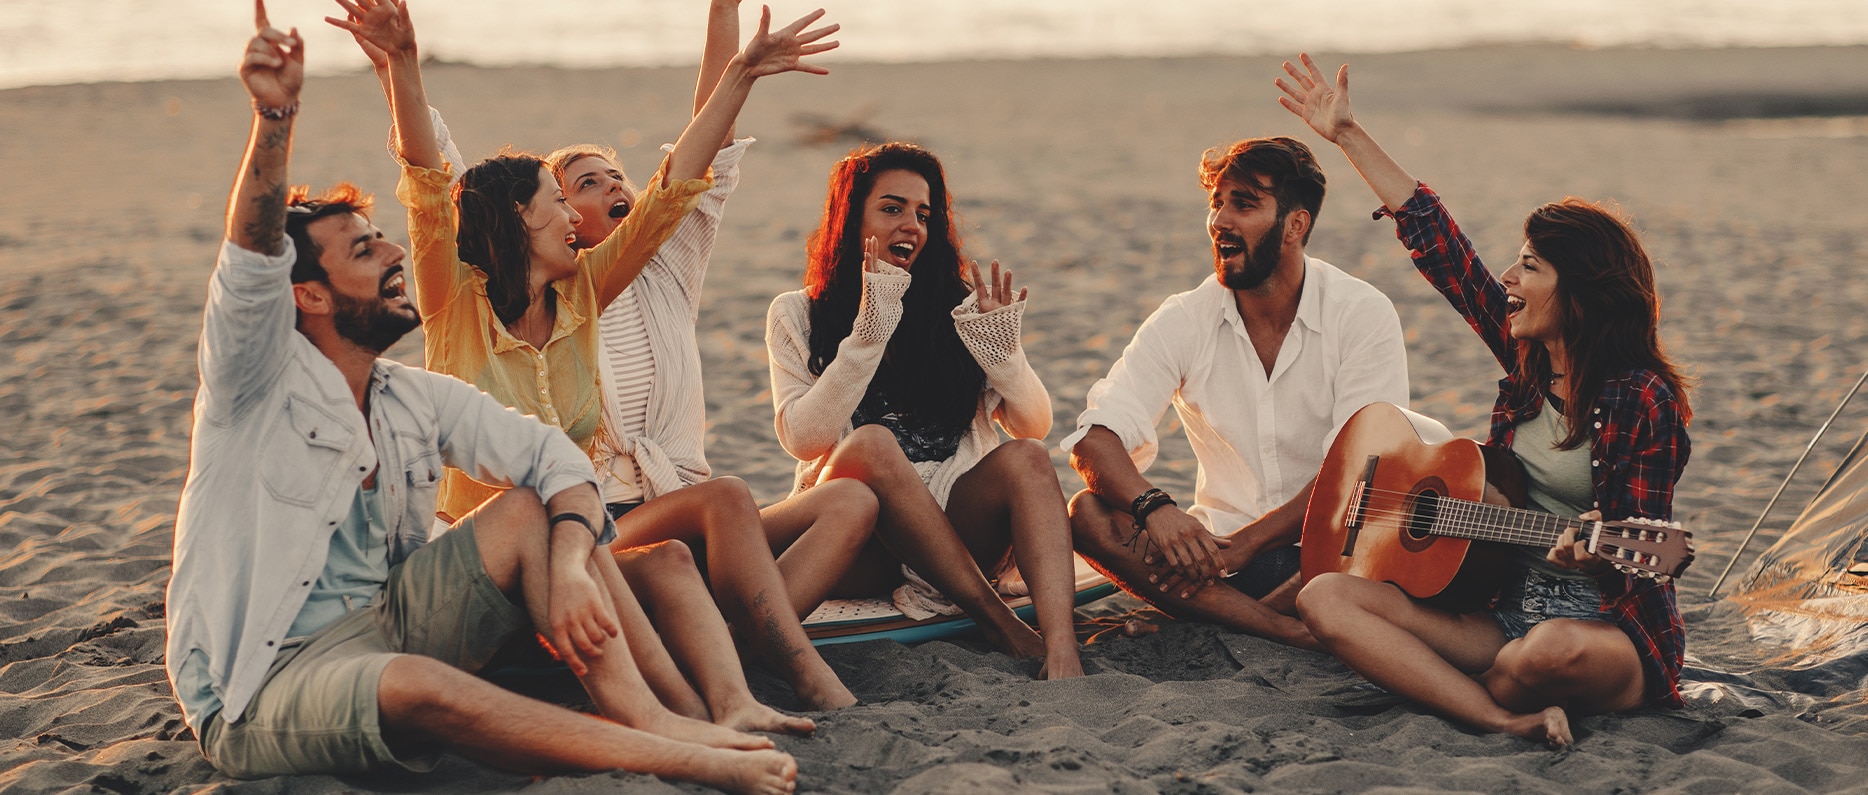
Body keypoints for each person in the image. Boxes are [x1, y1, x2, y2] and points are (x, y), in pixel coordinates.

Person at [164, 8, 797, 792]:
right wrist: (276, 117)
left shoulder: (407, 396)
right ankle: (666, 751)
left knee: (544, 508)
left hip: (392, 619)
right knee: (418, 686)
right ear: (310, 297)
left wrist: (569, 561)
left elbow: (553, 459)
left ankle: (663, 718)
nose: (393, 247)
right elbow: (358, 217)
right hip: (260, 678)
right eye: (366, 249)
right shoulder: (249, 384)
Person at [332, 0, 859, 711]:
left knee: (677, 554)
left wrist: (742, 73)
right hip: (499, 554)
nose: (590, 209)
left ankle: (729, 704)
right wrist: (402, 64)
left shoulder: (583, 296)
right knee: (693, 529)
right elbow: (433, 180)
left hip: (590, 542)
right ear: (524, 217)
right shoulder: (457, 301)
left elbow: (672, 192)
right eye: (564, 194)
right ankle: (763, 684)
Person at [1277, 53, 1693, 746]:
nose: (1507, 275)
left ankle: (1489, 684)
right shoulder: (1528, 363)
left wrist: (1591, 552)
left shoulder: (1641, 399)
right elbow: (1442, 249)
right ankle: (1497, 711)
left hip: (1602, 627)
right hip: (1499, 612)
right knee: (1323, 596)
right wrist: (1346, 134)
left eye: (1529, 265)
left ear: (1581, 294)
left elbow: (1641, 545)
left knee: (1546, 652)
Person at [1060, 134, 1409, 649]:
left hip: (1335, 552)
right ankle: (1278, 629)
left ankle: (1221, 622)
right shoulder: (1185, 317)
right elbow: (1095, 438)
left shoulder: (1361, 313)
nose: (1220, 221)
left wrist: (1247, 544)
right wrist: (1155, 508)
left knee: (1367, 538)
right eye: (1216, 203)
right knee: (1088, 514)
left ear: (1296, 224)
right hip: (1213, 563)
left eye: (1243, 204)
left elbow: (1359, 471)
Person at [764, 142, 1084, 680]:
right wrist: (869, 331)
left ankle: (1062, 648)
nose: (910, 224)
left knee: (1027, 457)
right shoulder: (798, 313)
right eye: (891, 209)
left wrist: (1003, 354)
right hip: (860, 541)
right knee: (870, 443)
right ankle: (996, 620)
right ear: (851, 219)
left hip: (957, 524)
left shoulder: (959, 308)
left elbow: (1035, 425)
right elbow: (803, 439)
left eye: (923, 213)